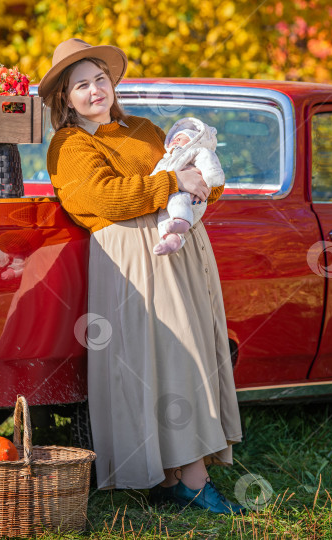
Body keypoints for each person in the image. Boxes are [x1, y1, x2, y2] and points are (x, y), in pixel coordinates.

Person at [40, 38, 244, 514]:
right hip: (131, 257)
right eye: (82, 85)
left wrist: (199, 183)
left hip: (179, 250)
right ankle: (189, 479)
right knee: (167, 359)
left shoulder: (146, 128)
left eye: (101, 80)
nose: (96, 91)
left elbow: (199, 181)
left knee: (185, 353)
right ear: (65, 99)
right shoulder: (71, 144)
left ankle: (176, 476)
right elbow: (108, 199)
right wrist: (173, 182)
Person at [149, 117, 225, 255]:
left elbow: (207, 158)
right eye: (174, 138)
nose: (176, 140)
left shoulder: (194, 152)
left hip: (190, 195)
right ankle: (172, 239)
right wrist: (152, 184)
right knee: (164, 217)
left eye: (182, 138)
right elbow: (155, 174)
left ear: (194, 142)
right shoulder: (166, 159)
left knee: (179, 199)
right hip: (168, 195)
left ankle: (182, 221)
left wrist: (211, 178)